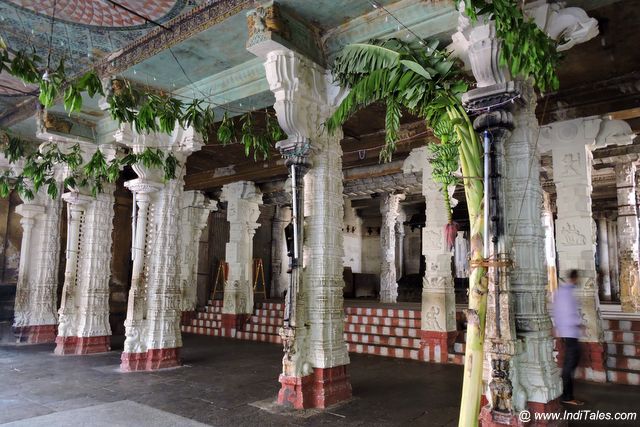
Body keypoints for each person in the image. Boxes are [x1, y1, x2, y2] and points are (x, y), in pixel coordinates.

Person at [552, 269, 585, 406]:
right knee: (569, 365)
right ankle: (567, 395)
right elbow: (567, 313)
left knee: (570, 363)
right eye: (578, 278)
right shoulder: (566, 293)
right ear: (575, 278)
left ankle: (567, 393)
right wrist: (577, 324)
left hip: (567, 332)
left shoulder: (562, 292)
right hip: (570, 332)